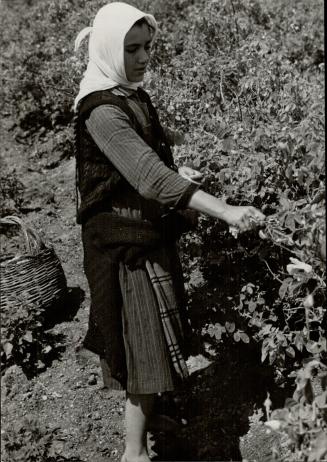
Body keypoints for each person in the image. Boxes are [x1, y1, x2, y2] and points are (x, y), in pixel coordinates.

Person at [73, 3, 265, 461]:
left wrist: (179, 162)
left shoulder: (128, 94)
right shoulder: (101, 110)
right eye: (132, 49)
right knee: (143, 348)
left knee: (154, 337)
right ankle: (134, 451)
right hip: (123, 245)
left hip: (146, 231)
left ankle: (148, 417)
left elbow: (149, 155)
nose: (143, 58)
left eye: (147, 48)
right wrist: (227, 210)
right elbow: (149, 177)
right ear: (108, 49)